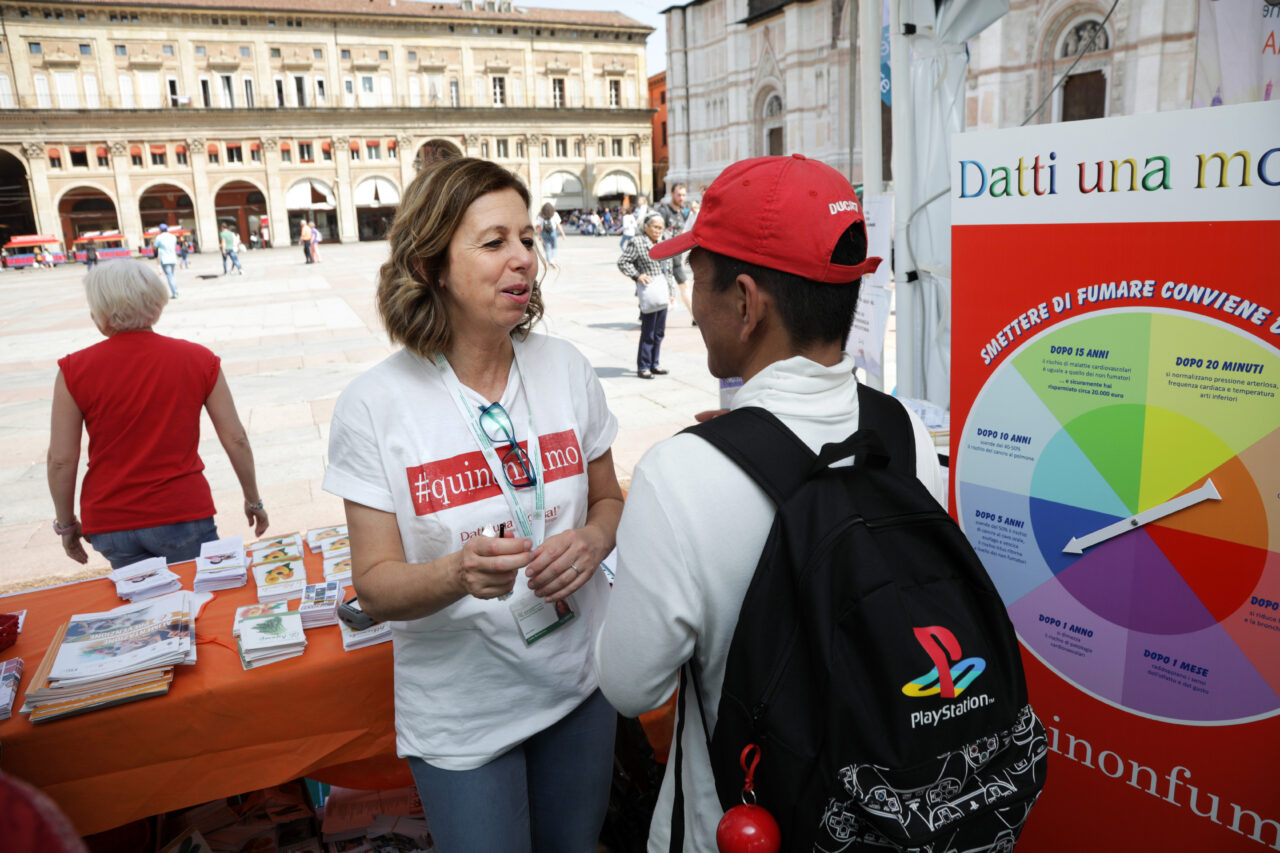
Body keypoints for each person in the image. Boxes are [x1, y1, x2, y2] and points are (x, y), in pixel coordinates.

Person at [593, 154, 948, 852]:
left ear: (747, 303)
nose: (693, 308)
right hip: (881, 806)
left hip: (744, 822)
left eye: (696, 279)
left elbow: (632, 687)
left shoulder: (677, 475)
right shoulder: (905, 430)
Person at [323, 156, 623, 853]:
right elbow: (375, 583)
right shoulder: (375, 404)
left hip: (579, 682)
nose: (524, 259)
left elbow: (608, 498)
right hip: (463, 716)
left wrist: (594, 540)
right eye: (494, 243)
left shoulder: (568, 369)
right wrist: (457, 573)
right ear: (431, 266)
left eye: (527, 237)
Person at [47, 259, 269, 569]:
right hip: (181, 512)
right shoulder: (198, 359)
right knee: (201, 596)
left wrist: (66, 524)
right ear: (156, 303)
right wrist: (253, 499)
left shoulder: (73, 370)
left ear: (100, 314)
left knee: (144, 608)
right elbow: (236, 439)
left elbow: (61, 459)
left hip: (111, 520)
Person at [617, 213, 675, 379]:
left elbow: (669, 270)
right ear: (646, 227)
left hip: (662, 291)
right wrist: (637, 275)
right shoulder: (638, 242)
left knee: (659, 332)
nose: (658, 231)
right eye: (655, 227)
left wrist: (671, 293)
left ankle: (654, 363)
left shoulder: (664, 243)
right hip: (649, 292)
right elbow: (623, 262)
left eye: (661, 228)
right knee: (648, 331)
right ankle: (643, 366)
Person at [656, 183, 695, 321]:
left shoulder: (682, 212)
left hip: (676, 257)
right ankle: (646, 312)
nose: (681, 198)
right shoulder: (663, 211)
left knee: (685, 284)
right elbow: (656, 232)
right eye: (679, 194)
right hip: (664, 258)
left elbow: (685, 231)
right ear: (672, 194)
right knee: (660, 287)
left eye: (684, 195)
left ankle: (694, 317)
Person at [154, 223, 179, 298]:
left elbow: (155, 247)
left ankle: (175, 293)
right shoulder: (173, 236)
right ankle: (175, 290)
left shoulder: (159, 237)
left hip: (165, 259)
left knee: (169, 276)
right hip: (173, 258)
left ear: (160, 230)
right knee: (172, 275)